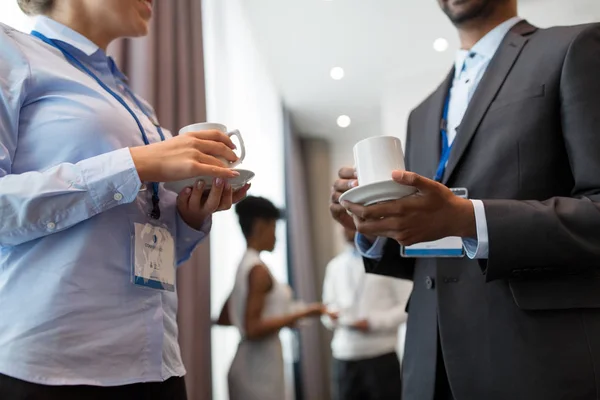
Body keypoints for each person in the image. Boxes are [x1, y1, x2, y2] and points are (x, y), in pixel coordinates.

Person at [330, 1, 600, 399]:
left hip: (534, 363)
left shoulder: (575, 47)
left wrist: (469, 219)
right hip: (427, 364)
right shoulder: (420, 113)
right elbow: (434, 254)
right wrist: (370, 226)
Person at [0, 1, 250, 399]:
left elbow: (132, 224)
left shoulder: (135, 103)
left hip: (157, 364)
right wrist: (134, 164)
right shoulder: (9, 52)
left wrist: (187, 215)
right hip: (53, 367)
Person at [217, 196, 324, 400]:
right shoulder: (257, 270)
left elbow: (226, 317)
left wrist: (276, 316)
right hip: (259, 369)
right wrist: (303, 313)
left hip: (247, 363)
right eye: (274, 226)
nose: (277, 236)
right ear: (260, 226)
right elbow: (252, 327)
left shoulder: (244, 264)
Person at [322, 226, 408, 400]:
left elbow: (407, 305)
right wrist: (334, 318)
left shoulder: (388, 262)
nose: (344, 229)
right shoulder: (334, 266)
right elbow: (326, 310)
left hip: (380, 355)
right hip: (344, 356)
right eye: (341, 225)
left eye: (349, 223)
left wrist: (372, 322)